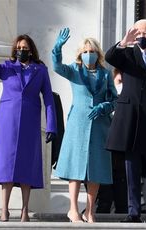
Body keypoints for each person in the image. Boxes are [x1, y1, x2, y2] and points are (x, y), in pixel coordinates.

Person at [0, 19, 57, 222]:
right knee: (6, 166)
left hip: (30, 122)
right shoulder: (6, 67)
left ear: (31, 51)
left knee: (26, 166)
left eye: (25, 48)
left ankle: (24, 210)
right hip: (7, 122)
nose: (21, 50)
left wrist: (51, 125)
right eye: (19, 47)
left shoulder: (40, 70)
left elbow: (48, 97)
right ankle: (4, 210)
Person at [105, 19, 146, 223]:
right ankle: (133, 211)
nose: (140, 36)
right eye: (137, 33)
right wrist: (123, 42)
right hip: (129, 118)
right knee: (131, 167)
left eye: (144, 33)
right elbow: (109, 57)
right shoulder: (126, 54)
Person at [52, 28, 118, 223]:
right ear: (81, 54)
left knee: (95, 168)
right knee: (75, 167)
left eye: (92, 51)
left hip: (99, 125)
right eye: (86, 51)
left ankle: (89, 211)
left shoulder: (105, 75)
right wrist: (57, 47)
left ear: (98, 53)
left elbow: (115, 99)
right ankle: (73, 209)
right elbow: (57, 66)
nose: (89, 54)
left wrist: (104, 107)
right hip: (78, 125)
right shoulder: (74, 70)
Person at [96, 68, 127, 214]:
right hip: (105, 147)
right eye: (119, 81)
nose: (121, 85)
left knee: (122, 191)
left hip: (121, 150)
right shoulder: (105, 96)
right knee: (105, 195)